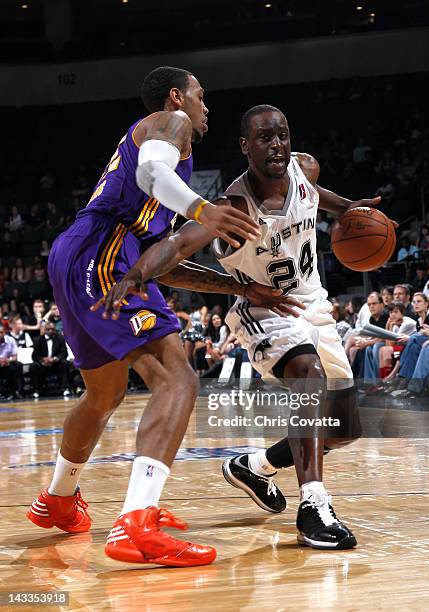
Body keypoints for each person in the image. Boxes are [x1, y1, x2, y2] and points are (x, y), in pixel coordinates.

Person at [27, 68, 296, 568]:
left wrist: (239, 286)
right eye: (200, 95)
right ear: (177, 97)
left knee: (104, 393)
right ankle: (137, 523)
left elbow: (163, 263)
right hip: (101, 253)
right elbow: (154, 176)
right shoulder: (169, 123)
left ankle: (59, 499)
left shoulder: (166, 165)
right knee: (178, 379)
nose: (205, 105)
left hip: (81, 254)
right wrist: (202, 211)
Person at [98, 105, 391, 550]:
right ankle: (313, 504)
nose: (276, 145)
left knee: (344, 428)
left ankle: (254, 465)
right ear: (244, 146)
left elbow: (313, 190)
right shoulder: (234, 207)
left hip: (313, 302)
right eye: (264, 139)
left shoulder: (304, 168)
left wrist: (348, 207)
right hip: (262, 308)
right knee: (307, 376)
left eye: (282, 135)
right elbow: (177, 245)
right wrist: (137, 274)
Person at [30, 321, 70, 398]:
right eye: (48, 329)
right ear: (44, 330)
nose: (51, 331)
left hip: (56, 363)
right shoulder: (37, 340)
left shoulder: (60, 338)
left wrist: (55, 359)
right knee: (33, 366)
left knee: (65, 363)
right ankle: (36, 390)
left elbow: (64, 353)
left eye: (52, 329)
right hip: (43, 364)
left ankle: (65, 389)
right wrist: (42, 359)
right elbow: (34, 356)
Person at [0, 323, 23, 400]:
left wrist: (7, 360)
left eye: (1, 332)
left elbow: (14, 356)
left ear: (4, 332)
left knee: (17, 365)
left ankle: (16, 391)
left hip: (7, 363)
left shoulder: (11, 340)